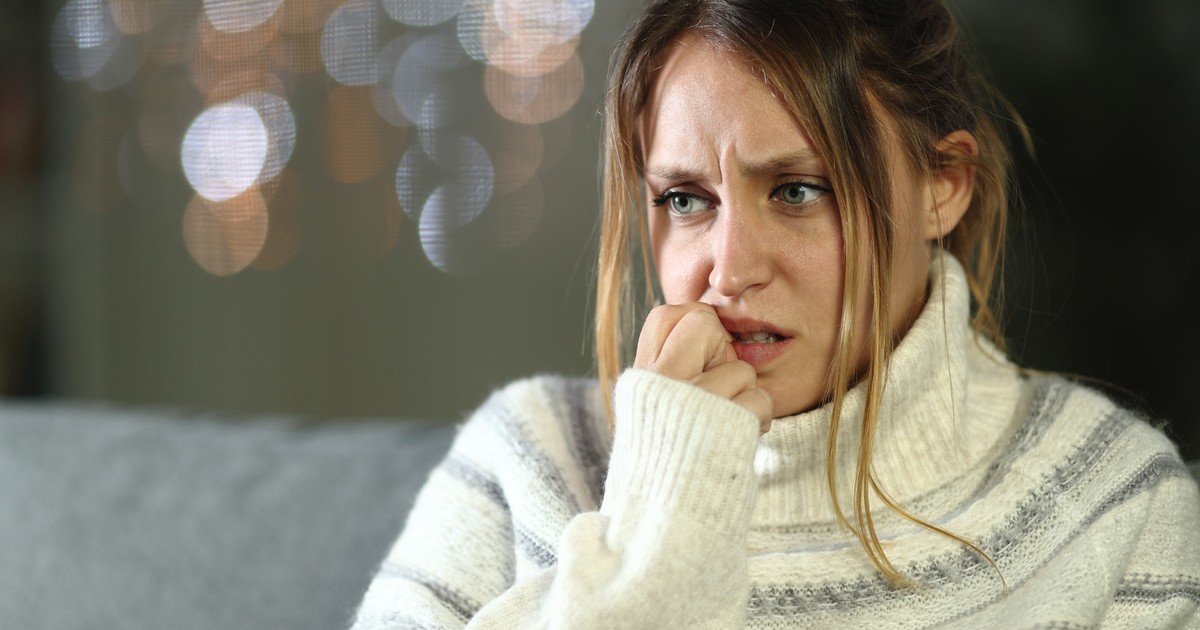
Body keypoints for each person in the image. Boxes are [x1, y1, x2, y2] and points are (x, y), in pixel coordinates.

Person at [351, 0, 1200, 627]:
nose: (728, 270)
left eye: (798, 191)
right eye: (686, 199)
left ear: (943, 186)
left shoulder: (1114, 500)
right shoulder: (529, 458)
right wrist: (661, 516)